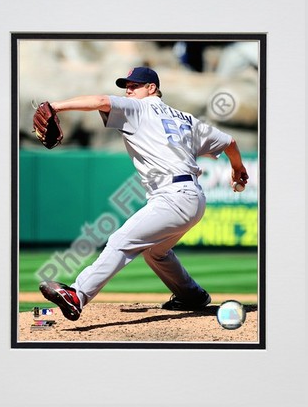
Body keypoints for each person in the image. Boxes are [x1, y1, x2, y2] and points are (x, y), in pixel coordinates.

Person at [39, 66, 249, 321]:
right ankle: (192, 295)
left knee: (120, 241)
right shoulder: (187, 119)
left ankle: (77, 295)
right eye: (126, 86)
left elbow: (101, 101)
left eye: (134, 86)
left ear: (152, 88)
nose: (128, 90)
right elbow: (230, 142)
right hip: (193, 198)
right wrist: (238, 168)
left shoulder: (139, 108)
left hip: (173, 198)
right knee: (155, 252)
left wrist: (55, 106)